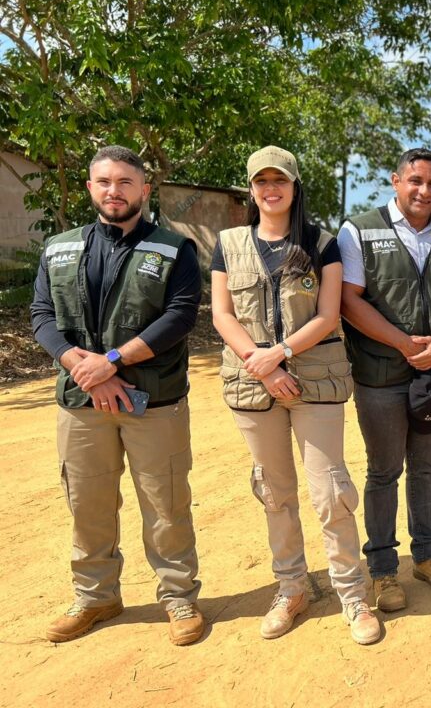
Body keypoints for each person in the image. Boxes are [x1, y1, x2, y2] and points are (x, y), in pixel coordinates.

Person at [30, 145, 204, 645]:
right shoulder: (58, 248)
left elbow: (180, 316)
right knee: (87, 503)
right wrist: (85, 369)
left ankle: (178, 597)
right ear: (90, 188)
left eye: (125, 182)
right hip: (83, 404)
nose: (114, 191)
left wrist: (111, 362)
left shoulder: (175, 249)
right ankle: (96, 597)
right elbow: (41, 315)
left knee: (166, 504)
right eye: (104, 181)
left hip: (155, 402)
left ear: (144, 189)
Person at [211, 146, 380, 645]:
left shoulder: (321, 243)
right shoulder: (229, 242)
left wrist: (279, 353)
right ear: (251, 189)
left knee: (331, 493)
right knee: (275, 493)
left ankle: (352, 594)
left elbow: (329, 315)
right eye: (261, 181)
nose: (270, 189)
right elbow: (222, 314)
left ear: (294, 185)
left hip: (316, 380)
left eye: (278, 180)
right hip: (252, 381)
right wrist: (260, 364)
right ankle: (292, 588)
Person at [340, 148, 431, 611]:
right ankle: (381, 569)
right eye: (415, 180)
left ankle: (428, 556)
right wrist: (401, 343)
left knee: (426, 468)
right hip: (380, 378)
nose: (424, 191)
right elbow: (349, 300)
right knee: (383, 471)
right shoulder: (359, 230)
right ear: (396, 181)